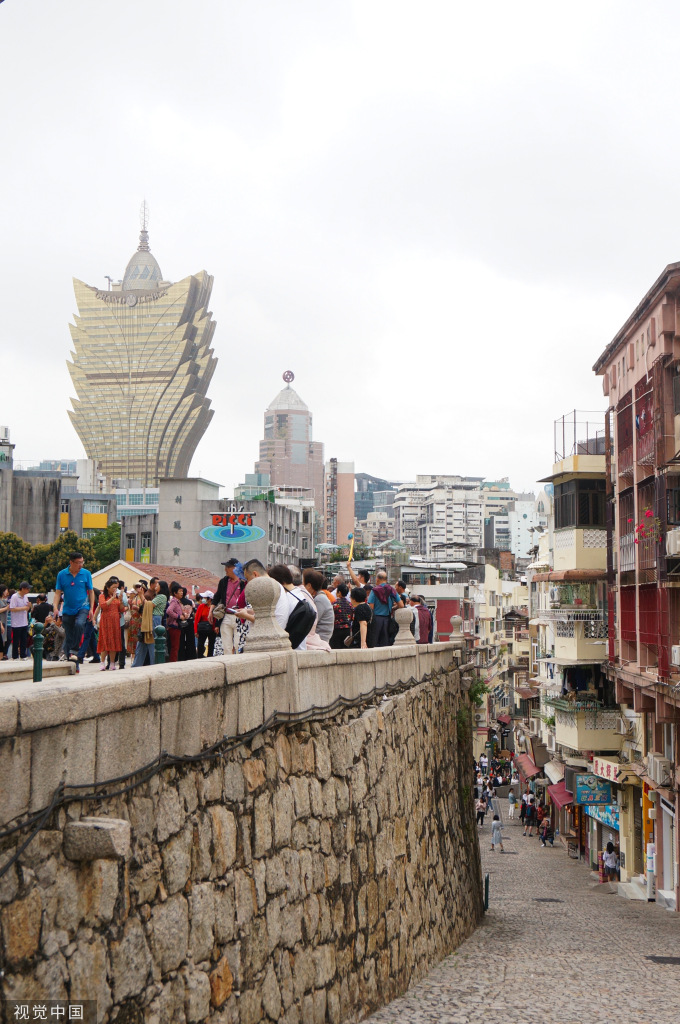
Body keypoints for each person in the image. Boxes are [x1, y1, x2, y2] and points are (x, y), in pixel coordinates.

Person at [53, 551, 94, 664]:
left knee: (80, 624)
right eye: (78, 563)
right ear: (71, 562)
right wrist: (55, 607)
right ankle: (71, 661)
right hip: (68, 609)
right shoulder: (62, 574)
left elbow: (91, 592)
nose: (81, 565)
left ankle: (75, 649)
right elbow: (57, 593)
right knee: (69, 635)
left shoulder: (86, 574)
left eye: (82, 562)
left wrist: (90, 609)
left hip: (83, 606)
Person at [212, 558, 246, 656]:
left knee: (238, 644)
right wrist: (211, 610)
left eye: (228, 567)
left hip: (239, 616)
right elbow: (217, 596)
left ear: (235, 568)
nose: (225, 569)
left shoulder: (243, 582)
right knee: (226, 646)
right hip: (226, 616)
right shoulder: (223, 581)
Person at [367, 571, 403, 648]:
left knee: (374, 642)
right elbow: (401, 605)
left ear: (377, 579)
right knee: (385, 643)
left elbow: (371, 607)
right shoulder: (391, 590)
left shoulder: (374, 590)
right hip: (387, 619)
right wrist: (393, 608)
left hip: (376, 619)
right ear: (386, 579)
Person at [303, 569, 334, 643]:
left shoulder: (319, 599)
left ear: (309, 585)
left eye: (303, 583)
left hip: (320, 640)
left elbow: (313, 621)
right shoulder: (318, 597)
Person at [97, 579, 122, 670]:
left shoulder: (117, 597)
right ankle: (102, 662)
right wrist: (112, 598)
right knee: (104, 640)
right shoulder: (102, 596)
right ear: (108, 588)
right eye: (113, 587)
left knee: (113, 641)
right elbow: (103, 606)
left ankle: (112, 663)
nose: (115, 589)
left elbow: (121, 609)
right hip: (106, 620)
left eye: (116, 587)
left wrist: (121, 600)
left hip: (115, 621)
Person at [132, 585, 157, 667]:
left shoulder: (157, 596)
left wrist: (141, 596)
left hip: (148, 624)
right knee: (144, 645)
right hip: (146, 624)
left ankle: (138, 665)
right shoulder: (149, 595)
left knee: (147, 646)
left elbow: (147, 605)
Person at [9, 582, 32, 660]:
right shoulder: (14, 597)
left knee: (24, 639)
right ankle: (15, 656)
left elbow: (27, 608)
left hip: (24, 621)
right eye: (27, 588)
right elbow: (12, 608)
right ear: (23, 588)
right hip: (16, 622)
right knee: (16, 640)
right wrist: (24, 608)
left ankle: (23, 655)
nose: (28, 590)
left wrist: (28, 607)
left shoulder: (25, 597)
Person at [126, 583, 146, 663]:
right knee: (132, 639)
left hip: (139, 620)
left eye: (139, 587)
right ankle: (133, 656)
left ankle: (136, 657)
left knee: (138, 638)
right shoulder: (134, 597)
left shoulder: (143, 597)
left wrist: (137, 608)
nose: (138, 589)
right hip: (133, 620)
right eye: (137, 587)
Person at [330, 583, 353, 649]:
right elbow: (352, 618)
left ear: (339, 592)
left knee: (335, 649)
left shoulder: (334, 604)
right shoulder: (350, 604)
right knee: (345, 650)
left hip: (336, 630)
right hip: (347, 630)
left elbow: (331, 617)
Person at [195, 591, 218, 658]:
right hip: (202, 629)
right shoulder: (201, 606)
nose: (203, 599)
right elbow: (196, 619)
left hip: (211, 629)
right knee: (200, 645)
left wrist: (215, 627)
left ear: (209, 599)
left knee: (211, 646)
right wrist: (196, 630)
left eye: (205, 598)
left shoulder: (215, 607)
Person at [165, 582, 184, 662]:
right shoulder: (174, 601)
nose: (182, 593)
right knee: (174, 647)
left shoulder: (178, 601)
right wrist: (178, 616)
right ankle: (173, 662)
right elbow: (169, 611)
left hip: (177, 627)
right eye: (180, 591)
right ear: (175, 593)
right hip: (174, 627)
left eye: (182, 591)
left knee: (175, 646)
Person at [178, 587, 197, 660]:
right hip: (190, 622)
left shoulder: (178, 602)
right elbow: (194, 612)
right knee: (190, 640)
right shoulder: (190, 602)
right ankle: (191, 656)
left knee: (181, 640)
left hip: (180, 621)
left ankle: (181, 656)